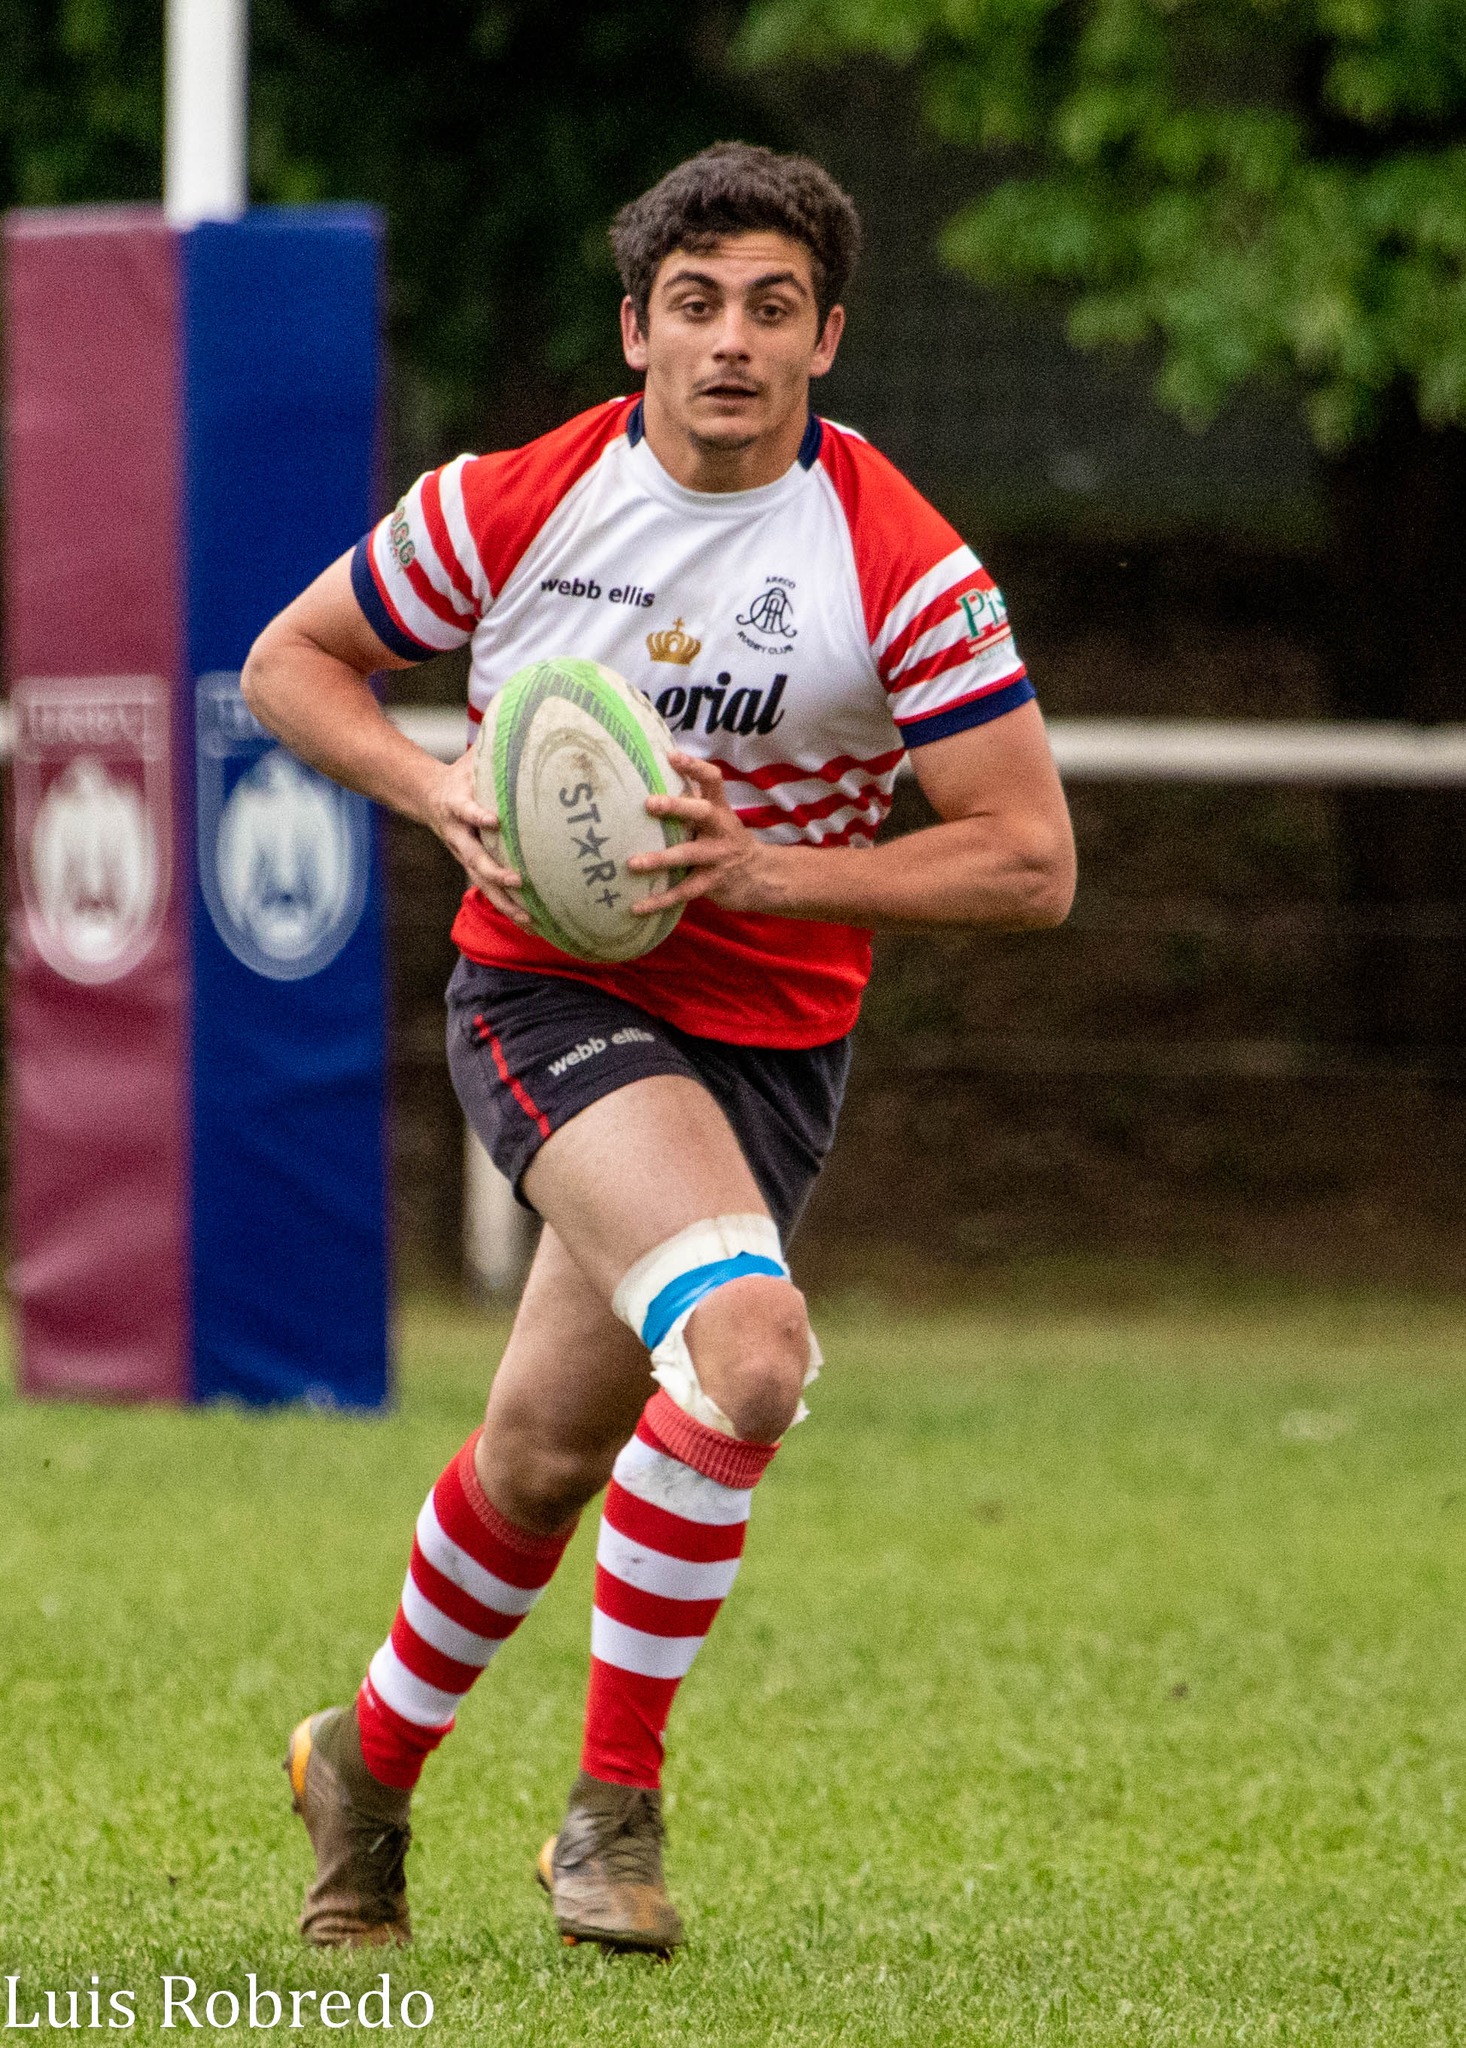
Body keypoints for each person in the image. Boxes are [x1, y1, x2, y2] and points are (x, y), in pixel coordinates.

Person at [242, 140, 1076, 1955]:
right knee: (752, 1350)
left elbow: (1028, 860)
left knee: (543, 1456)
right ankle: (610, 1821)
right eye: (692, 306)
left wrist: (772, 866)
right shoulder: (516, 502)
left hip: (766, 1050)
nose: (728, 343)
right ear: (635, 329)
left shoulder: (902, 566)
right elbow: (289, 664)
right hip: (550, 997)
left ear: (827, 341)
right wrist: (435, 784)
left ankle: (359, 1771)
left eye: (771, 309)